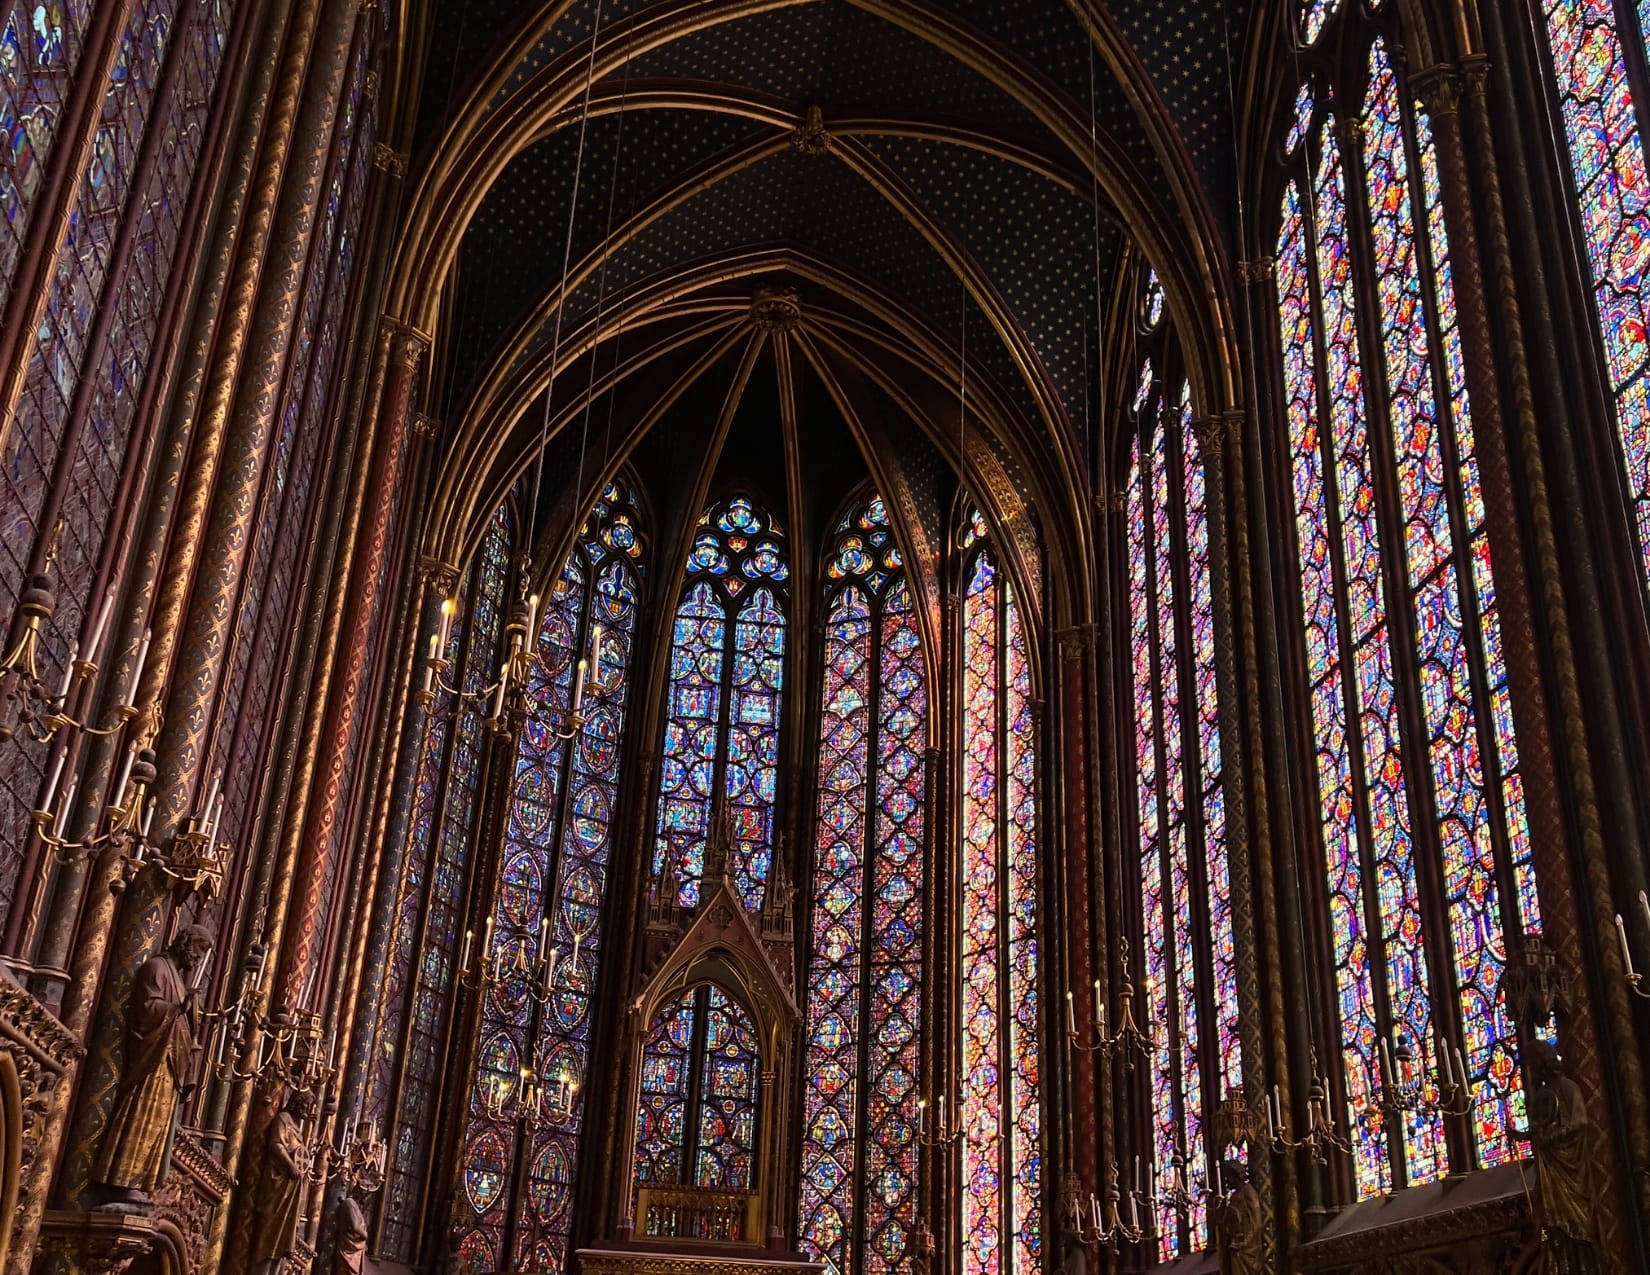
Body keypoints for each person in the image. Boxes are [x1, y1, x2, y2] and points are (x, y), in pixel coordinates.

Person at [93, 924, 213, 1204]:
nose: (197, 958)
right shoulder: (158, 968)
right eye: (197, 950)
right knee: (142, 1113)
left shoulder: (180, 981)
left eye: (201, 954)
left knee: (158, 1123)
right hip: (154, 1059)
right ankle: (123, 1179)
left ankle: (142, 1180)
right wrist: (177, 1009)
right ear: (186, 942)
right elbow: (147, 1009)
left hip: (171, 1061)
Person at [251, 1087, 317, 1274]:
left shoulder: (298, 1128)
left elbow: (302, 1156)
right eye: (305, 1104)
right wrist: (290, 1166)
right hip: (277, 1186)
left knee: (285, 1239)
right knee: (269, 1234)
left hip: (292, 1190)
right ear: (296, 1102)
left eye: (310, 1106)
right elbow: (276, 1144)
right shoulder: (283, 1119)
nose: (307, 1109)